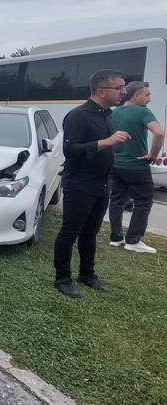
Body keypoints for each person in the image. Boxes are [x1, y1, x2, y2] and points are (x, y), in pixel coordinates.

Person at [53, 69, 131, 299]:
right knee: (70, 232)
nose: (123, 92)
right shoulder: (79, 115)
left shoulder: (106, 115)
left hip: (101, 185)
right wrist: (106, 142)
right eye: (119, 87)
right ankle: (63, 278)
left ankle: (87, 274)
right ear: (101, 90)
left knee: (91, 232)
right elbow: (70, 149)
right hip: (80, 185)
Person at [108, 81, 165, 253]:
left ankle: (116, 238)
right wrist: (153, 155)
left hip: (115, 164)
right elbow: (159, 132)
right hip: (136, 166)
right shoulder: (142, 112)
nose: (149, 99)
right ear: (136, 95)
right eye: (146, 95)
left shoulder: (113, 112)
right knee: (143, 201)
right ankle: (133, 240)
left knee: (117, 200)